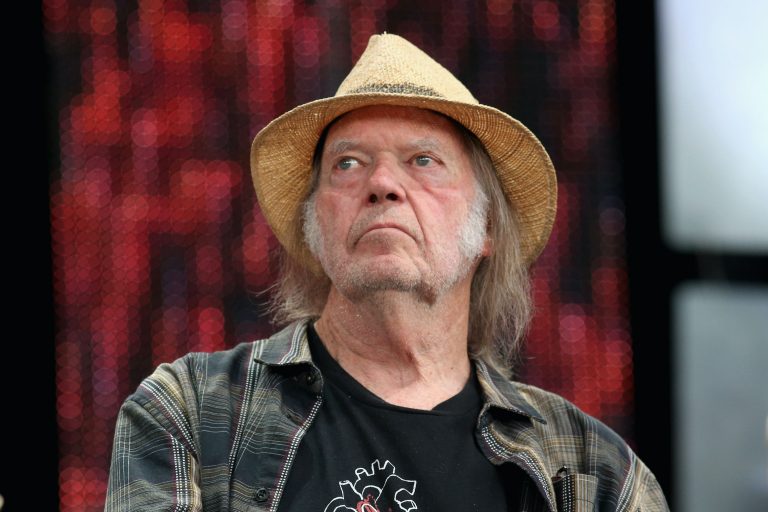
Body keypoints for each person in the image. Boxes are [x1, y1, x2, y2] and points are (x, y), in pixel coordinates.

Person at [106, 33, 668, 511]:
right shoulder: (192, 410)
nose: (381, 184)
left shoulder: (595, 471)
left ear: (488, 227)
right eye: (348, 164)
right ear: (313, 227)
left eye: (423, 161)